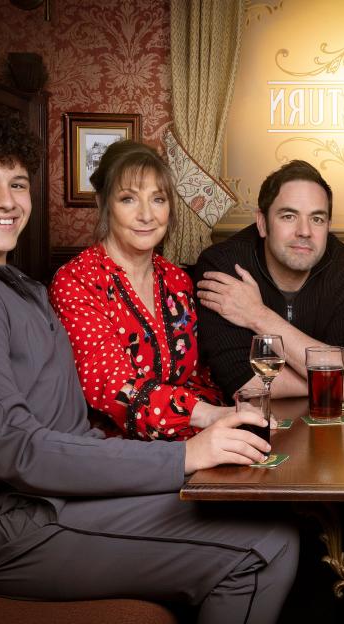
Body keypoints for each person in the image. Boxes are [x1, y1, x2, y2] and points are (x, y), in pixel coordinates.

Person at [0, 108, 297, 623]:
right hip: (8, 529)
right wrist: (184, 455)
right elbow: (18, 448)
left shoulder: (15, 285)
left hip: (57, 500)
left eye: (17, 183)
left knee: (262, 514)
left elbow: (66, 428)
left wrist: (201, 442)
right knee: (265, 548)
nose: (6, 201)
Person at [50, 140, 231, 441]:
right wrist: (208, 416)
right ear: (102, 202)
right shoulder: (76, 281)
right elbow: (111, 384)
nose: (147, 215)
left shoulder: (177, 280)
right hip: (123, 454)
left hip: (197, 437)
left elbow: (200, 375)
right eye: (129, 199)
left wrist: (238, 408)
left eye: (158, 199)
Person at [190, 160, 344, 400]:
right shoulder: (224, 266)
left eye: (317, 219)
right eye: (289, 216)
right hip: (253, 427)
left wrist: (258, 315)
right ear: (262, 223)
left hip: (333, 426)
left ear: (328, 226)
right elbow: (240, 382)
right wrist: (334, 383)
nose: (305, 231)